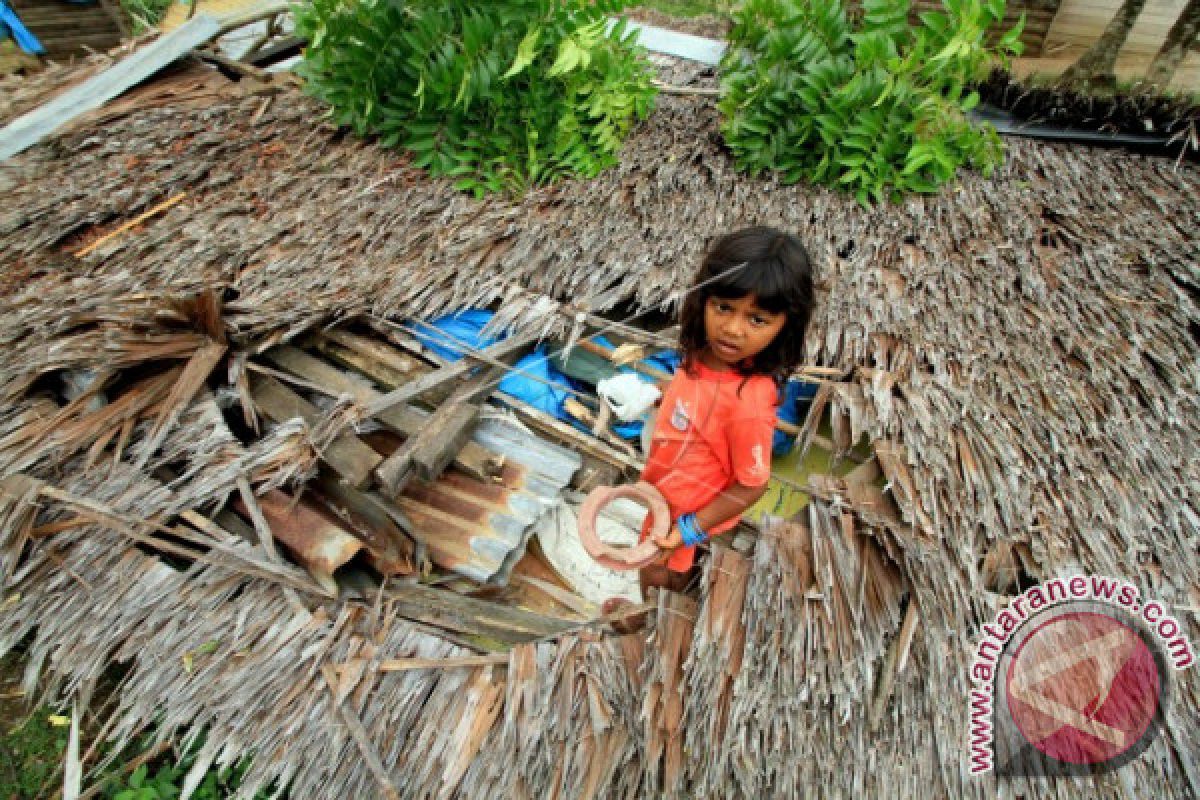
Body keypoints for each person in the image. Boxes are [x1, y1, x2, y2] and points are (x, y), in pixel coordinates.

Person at [604, 226, 816, 629]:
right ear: (703, 301)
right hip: (666, 494)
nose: (733, 329)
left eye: (757, 319)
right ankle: (649, 607)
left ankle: (650, 625)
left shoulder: (748, 402)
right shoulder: (701, 357)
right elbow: (697, 396)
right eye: (723, 308)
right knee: (652, 566)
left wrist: (686, 531)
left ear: (784, 327)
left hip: (691, 515)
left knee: (661, 575)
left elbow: (752, 484)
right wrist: (659, 394)